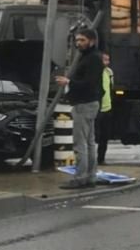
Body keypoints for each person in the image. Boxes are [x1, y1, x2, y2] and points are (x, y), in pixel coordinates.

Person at [55, 28, 104, 189]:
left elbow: (89, 83)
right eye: (77, 40)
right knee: (89, 142)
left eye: (82, 40)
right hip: (88, 103)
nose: (78, 43)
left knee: (80, 143)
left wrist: (68, 82)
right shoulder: (89, 57)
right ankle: (90, 176)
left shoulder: (92, 59)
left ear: (92, 41)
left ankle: (81, 177)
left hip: (84, 104)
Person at [96, 52, 114, 165]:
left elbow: (111, 87)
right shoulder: (95, 72)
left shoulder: (109, 72)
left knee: (104, 136)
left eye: (108, 60)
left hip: (107, 108)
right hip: (97, 108)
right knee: (94, 135)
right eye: (104, 60)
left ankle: (101, 158)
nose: (107, 62)